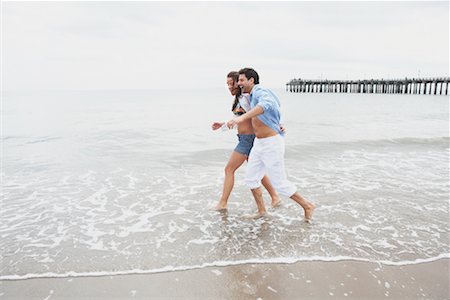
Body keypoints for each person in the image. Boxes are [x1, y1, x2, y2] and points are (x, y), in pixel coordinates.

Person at [227, 68, 315, 221]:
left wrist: (241, 119)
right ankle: (262, 211)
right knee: (251, 178)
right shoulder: (251, 96)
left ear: (251, 80)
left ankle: (307, 205)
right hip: (259, 143)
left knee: (280, 183)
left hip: (272, 143)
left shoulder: (260, 91)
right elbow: (268, 113)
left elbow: (267, 104)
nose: (239, 83)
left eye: (241, 80)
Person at [211, 71, 282, 211]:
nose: (230, 87)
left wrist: (278, 125)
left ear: (239, 83)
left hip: (248, 140)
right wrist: (223, 124)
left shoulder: (246, 98)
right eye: (227, 84)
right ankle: (275, 197)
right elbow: (241, 120)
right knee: (257, 172)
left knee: (229, 169)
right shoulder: (239, 99)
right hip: (246, 138)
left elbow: (261, 112)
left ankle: (223, 203)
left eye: (232, 84)